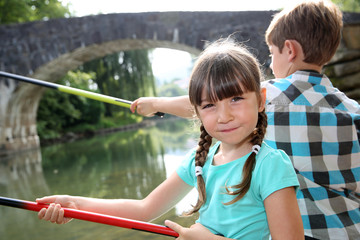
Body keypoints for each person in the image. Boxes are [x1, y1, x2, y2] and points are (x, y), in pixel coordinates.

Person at [130, 1, 360, 239]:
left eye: (272, 53)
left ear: (289, 50)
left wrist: (156, 104)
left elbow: (201, 102)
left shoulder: (268, 96)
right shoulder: (353, 113)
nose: (270, 63)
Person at [37, 38, 303, 239]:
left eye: (236, 99)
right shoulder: (200, 160)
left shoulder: (271, 165)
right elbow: (143, 209)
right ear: (196, 112)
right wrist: (77, 204)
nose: (224, 116)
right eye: (209, 105)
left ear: (260, 100)